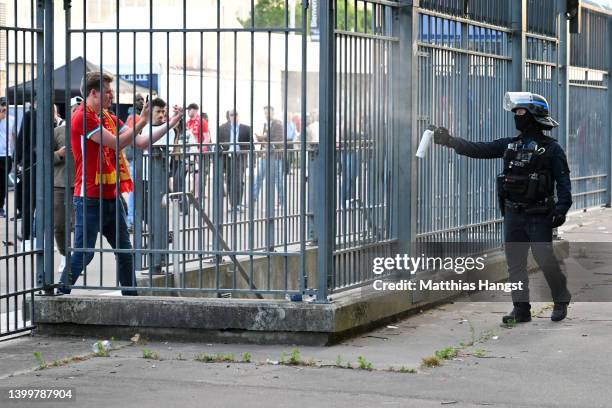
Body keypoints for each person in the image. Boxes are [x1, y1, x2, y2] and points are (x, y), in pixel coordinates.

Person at [433, 92, 572, 323]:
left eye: (520, 112)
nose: (516, 116)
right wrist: (450, 141)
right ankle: (521, 309)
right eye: (515, 112)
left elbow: (563, 182)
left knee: (544, 257)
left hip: (538, 214)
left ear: (533, 115)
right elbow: (480, 149)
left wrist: (561, 208)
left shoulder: (551, 149)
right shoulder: (511, 145)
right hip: (513, 213)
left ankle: (560, 298)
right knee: (515, 263)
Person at [58, 71, 183, 295]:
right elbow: (116, 143)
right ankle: (60, 290)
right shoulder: (82, 117)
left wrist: (172, 122)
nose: (111, 96)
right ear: (93, 93)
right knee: (85, 253)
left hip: (111, 197)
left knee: (125, 252)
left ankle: (131, 297)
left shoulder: (109, 118)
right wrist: (142, 121)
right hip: (88, 198)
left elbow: (142, 142)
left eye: (111, 92)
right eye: (107, 92)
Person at [52, 96, 80, 273]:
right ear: (69, 112)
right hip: (60, 184)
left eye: (81, 109)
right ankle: (65, 256)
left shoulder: (91, 131)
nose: (78, 112)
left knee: (80, 225)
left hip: (82, 184)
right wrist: (58, 154)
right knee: (60, 225)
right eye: (75, 109)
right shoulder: (58, 132)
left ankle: (76, 258)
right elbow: (43, 156)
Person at [218, 109, 251, 212]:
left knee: (239, 180)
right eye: (231, 115)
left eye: (236, 114)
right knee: (229, 180)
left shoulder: (246, 128)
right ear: (229, 116)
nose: (234, 117)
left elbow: (251, 145)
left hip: (240, 156)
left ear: (239, 115)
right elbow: (219, 143)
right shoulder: (222, 128)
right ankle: (233, 204)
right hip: (227, 157)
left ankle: (237, 204)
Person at [253, 106, 285, 207]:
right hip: (265, 155)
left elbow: (279, 140)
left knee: (277, 179)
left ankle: (282, 201)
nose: (267, 115)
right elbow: (266, 140)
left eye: (268, 113)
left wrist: (264, 138)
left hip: (275, 156)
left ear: (273, 112)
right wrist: (261, 140)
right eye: (265, 113)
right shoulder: (266, 124)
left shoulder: (278, 124)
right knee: (259, 177)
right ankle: (253, 199)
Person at [15, 100, 37, 250]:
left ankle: (30, 238)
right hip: (33, 164)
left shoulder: (30, 115)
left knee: (31, 203)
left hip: (32, 163)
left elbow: (21, 139)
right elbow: (21, 139)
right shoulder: (30, 115)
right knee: (31, 203)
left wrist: (18, 161)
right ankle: (29, 238)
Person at [0, 98, 15, 218]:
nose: (4, 107)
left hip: (6, 155)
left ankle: (1, 206)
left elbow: (14, 136)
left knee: (3, 183)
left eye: (5, 105)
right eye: (2, 105)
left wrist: (16, 152)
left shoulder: (11, 120)